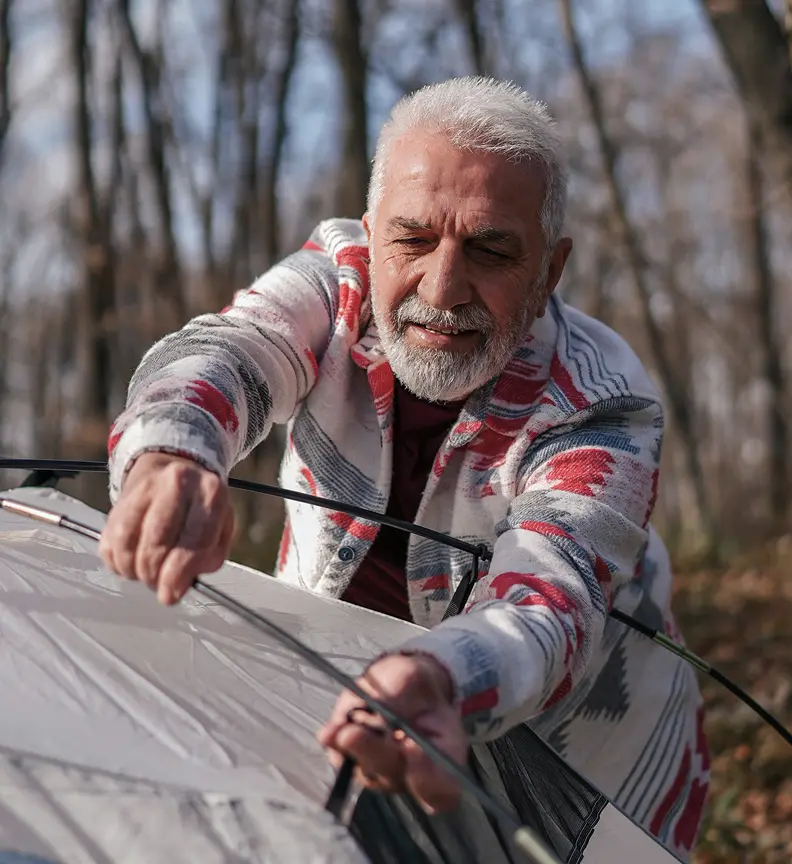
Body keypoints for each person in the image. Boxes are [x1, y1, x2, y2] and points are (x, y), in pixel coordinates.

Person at [100, 76, 709, 858]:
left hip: (587, 763)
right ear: (370, 231)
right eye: (413, 240)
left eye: (491, 249)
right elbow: (226, 352)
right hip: (351, 700)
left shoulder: (605, 403)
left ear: (550, 271)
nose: (442, 287)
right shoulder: (339, 278)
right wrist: (173, 450)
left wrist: (441, 676)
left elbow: (550, 598)